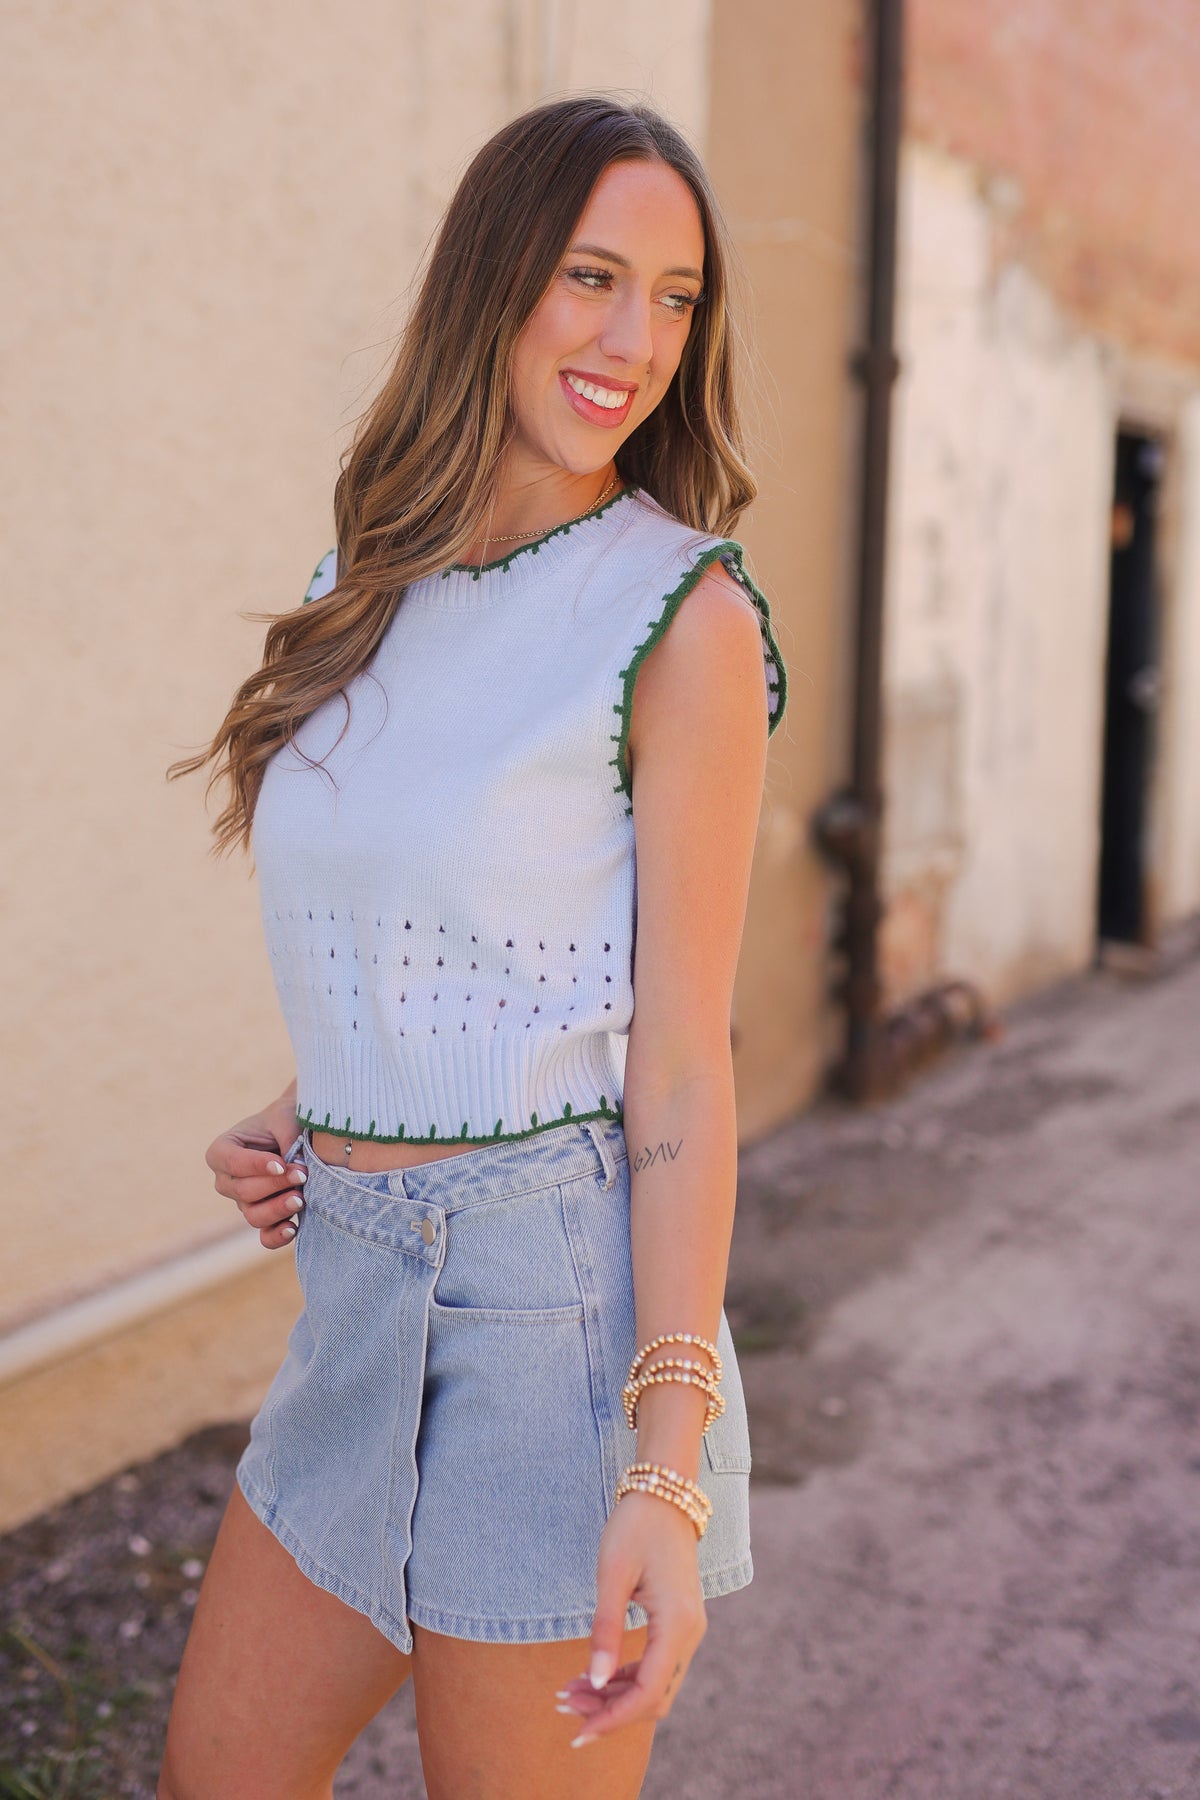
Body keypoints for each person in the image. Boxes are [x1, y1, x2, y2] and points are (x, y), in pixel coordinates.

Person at [159, 91, 788, 1800]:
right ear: (494, 281)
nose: (634, 338)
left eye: (675, 298)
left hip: (552, 1319)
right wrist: (318, 1098)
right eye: (594, 276)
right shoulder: (371, 575)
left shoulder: (686, 615)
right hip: (356, 1291)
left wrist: (666, 1461)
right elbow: (469, 929)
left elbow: (672, 1057)